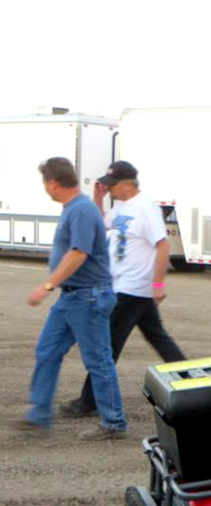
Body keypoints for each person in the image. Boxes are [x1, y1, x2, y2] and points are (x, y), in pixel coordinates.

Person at [60, 161, 185, 418]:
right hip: (122, 286)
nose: (109, 189)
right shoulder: (120, 206)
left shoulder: (146, 208)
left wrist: (158, 284)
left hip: (132, 288)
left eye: (112, 185)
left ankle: (89, 401)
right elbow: (100, 225)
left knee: (106, 344)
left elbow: (162, 245)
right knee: (157, 337)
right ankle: (191, 380)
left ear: (127, 183)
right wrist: (98, 199)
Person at [17, 157, 127, 439]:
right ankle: (39, 413)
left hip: (87, 298)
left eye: (45, 183)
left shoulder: (80, 210)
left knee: (98, 360)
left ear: (54, 183)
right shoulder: (76, 209)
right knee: (47, 350)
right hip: (71, 298)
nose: (45, 188)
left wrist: (47, 286)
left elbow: (79, 253)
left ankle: (114, 422)